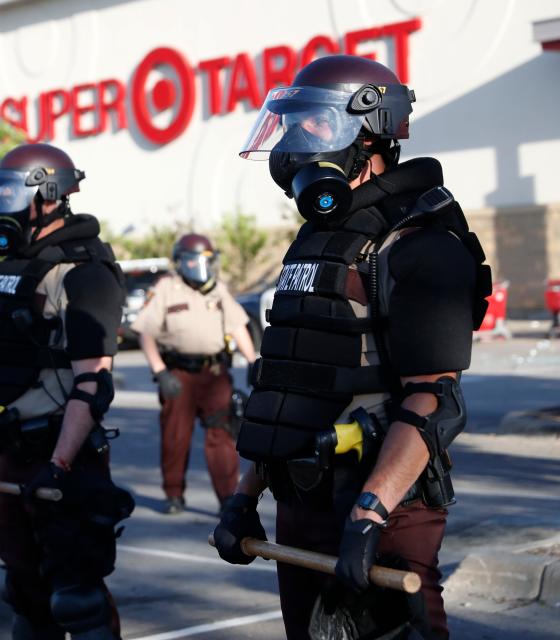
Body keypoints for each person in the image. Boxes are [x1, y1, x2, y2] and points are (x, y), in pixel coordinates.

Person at [213, 55, 491, 639]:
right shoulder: (317, 241)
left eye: (311, 124)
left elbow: (434, 400)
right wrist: (245, 494)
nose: (292, 144)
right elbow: (288, 380)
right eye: (290, 126)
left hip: (382, 509)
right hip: (301, 503)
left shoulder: (420, 243)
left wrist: (368, 515)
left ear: (369, 134)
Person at [0, 143, 134, 639]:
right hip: (13, 454)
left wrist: (57, 465)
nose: (2, 208)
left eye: (13, 195)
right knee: (25, 594)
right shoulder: (10, 269)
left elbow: (92, 384)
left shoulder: (85, 273)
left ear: (49, 194)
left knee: (76, 598)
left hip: (65, 458)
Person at [132, 233, 257, 515]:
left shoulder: (216, 289)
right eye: (200, 260)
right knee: (176, 436)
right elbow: (146, 334)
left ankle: (228, 498)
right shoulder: (167, 287)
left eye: (208, 260)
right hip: (178, 374)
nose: (205, 266)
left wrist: (252, 361)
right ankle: (174, 494)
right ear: (184, 261)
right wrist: (160, 372)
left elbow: (237, 327)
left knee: (222, 436)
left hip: (214, 373)